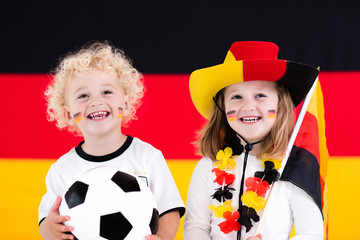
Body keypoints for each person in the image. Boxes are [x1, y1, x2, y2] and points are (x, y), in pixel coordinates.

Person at [38, 41, 185, 240]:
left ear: (125, 104)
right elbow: (48, 221)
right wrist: (49, 229)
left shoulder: (147, 157)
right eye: (83, 95)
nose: (96, 101)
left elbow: (169, 210)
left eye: (106, 92)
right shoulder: (62, 170)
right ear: (68, 113)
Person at [183, 41, 324, 240]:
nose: (248, 106)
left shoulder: (295, 167)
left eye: (260, 95)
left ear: (281, 103)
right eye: (236, 97)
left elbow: (311, 234)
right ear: (222, 107)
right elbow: (195, 228)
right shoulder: (207, 166)